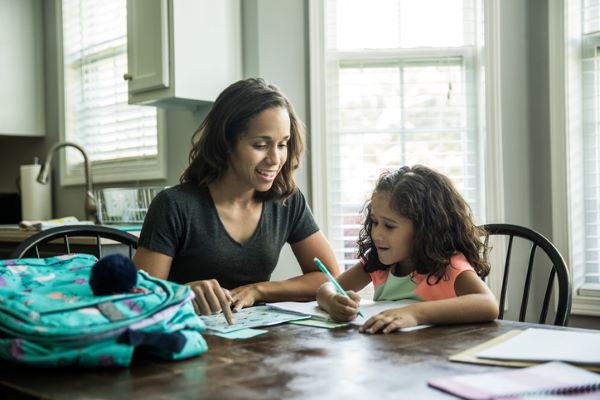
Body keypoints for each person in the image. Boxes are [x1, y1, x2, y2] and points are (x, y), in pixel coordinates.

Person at [134, 78, 339, 324]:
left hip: (256, 342)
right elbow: (137, 298)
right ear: (226, 143)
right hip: (185, 338)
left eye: (283, 144)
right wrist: (184, 293)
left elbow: (328, 277)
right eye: (261, 145)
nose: (275, 158)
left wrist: (258, 290)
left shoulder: (287, 201)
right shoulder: (174, 205)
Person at [316, 165, 498, 333]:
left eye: (389, 226)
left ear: (424, 230)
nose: (376, 233)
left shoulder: (448, 265)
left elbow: (488, 304)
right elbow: (327, 287)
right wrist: (332, 301)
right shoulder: (377, 262)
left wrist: (414, 314)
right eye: (375, 222)